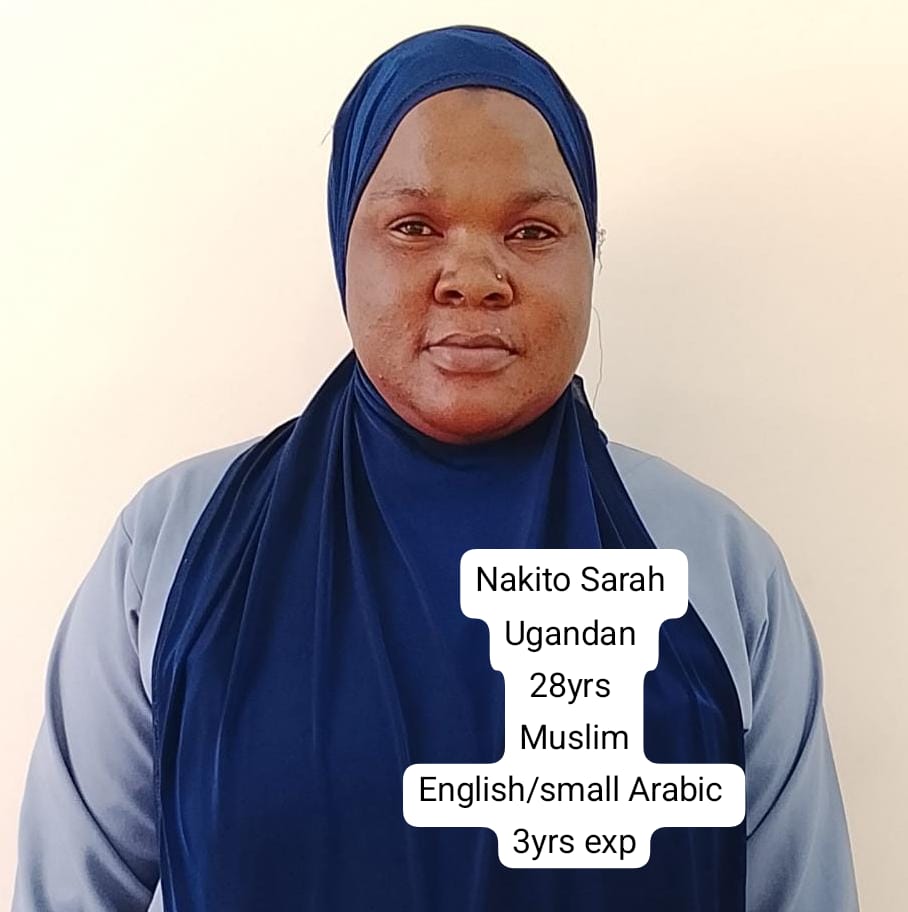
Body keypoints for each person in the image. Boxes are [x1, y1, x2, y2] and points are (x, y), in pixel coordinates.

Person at [12, 24, 859, 912]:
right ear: (344, 246)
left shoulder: (719, 568)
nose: (474, 276)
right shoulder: (176, 544)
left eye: (533, 230)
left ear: (590, 256)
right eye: (414, 227)